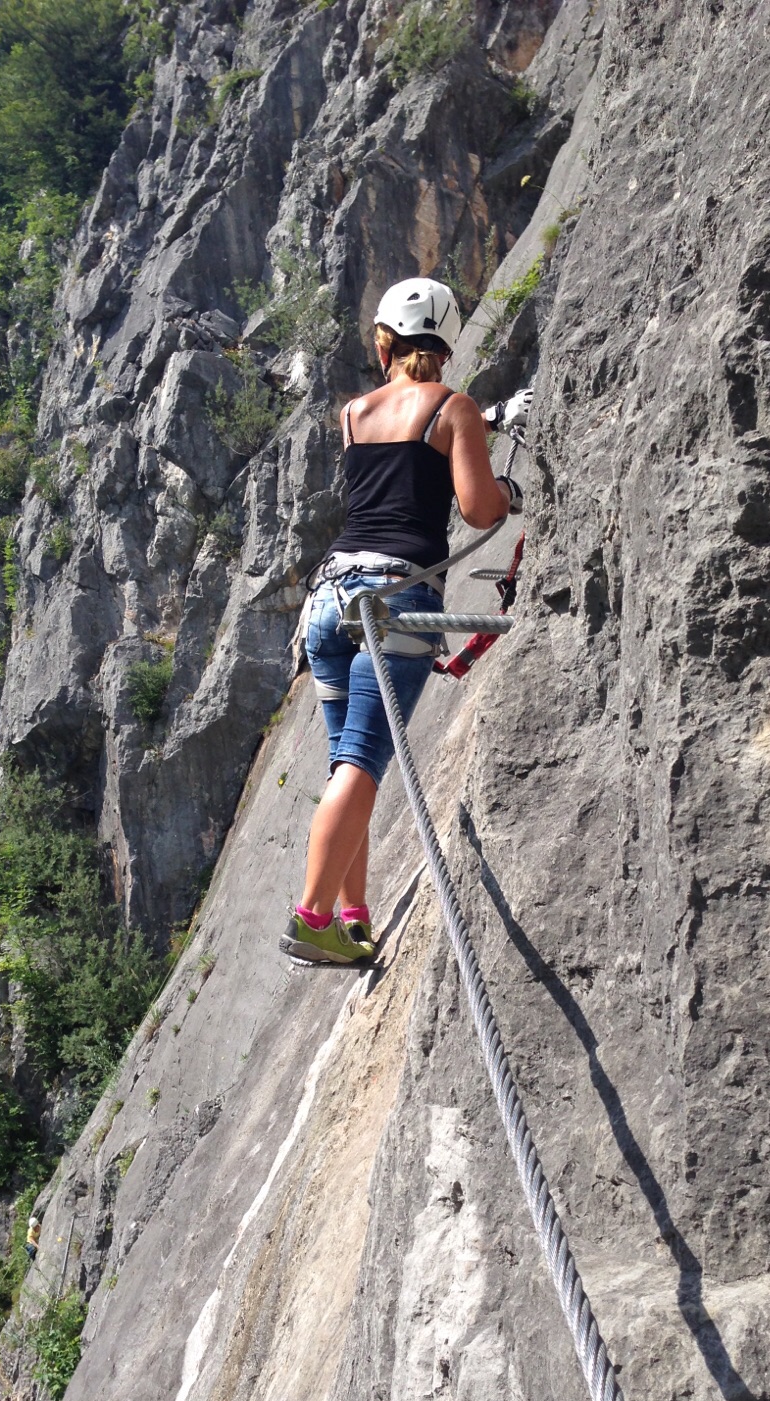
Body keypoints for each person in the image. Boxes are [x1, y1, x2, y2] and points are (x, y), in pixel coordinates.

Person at [281, 277, 529, 965]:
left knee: (346, 764)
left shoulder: (355, 412)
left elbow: (395, 467)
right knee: (362, 761)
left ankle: (353, 917)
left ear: (384, 341)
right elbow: (480, 510)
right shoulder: (453, 408)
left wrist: (484, 425)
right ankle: (312, 918)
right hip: (397, 598)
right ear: (446, 346)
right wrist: (507, 482)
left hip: (331, 601)